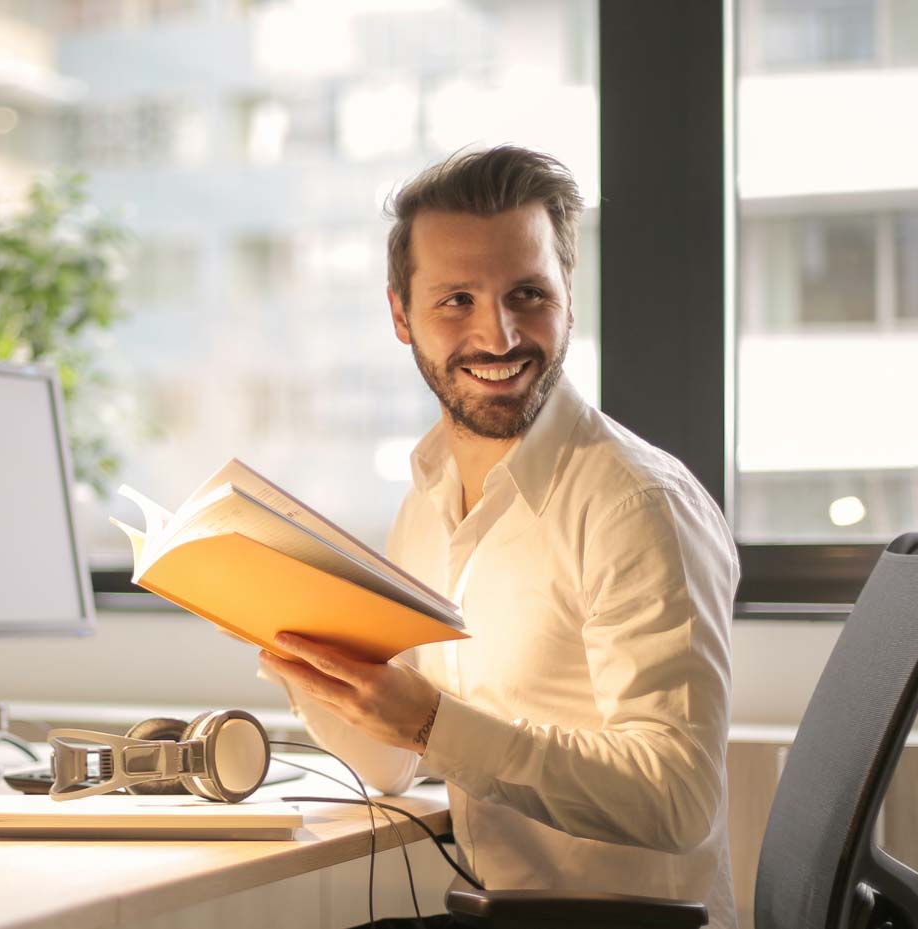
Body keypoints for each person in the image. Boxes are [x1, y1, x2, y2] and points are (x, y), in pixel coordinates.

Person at [257, 145, 739, 928]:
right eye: (456, 300)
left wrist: (430, 720)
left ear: (568, 298)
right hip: (496, 909)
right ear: (399, 314)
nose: (500, 334)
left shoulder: (636, 504)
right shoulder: (430, 491)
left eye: (528, 293)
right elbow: (389, 764)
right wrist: (306, 659)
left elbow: (678, 797)